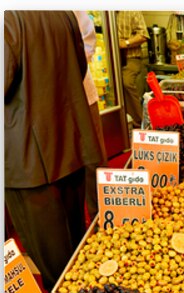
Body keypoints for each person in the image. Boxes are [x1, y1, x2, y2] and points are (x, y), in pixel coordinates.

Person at [5, 11, 103, 290]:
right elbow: (80, 68)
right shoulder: (62, 12)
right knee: (74, 241)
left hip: (27, 156)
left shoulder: (6, 18)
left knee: (53, 263)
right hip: (67, 142)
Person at [74, 10, 108, 222]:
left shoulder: (72, 10)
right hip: (43, 101)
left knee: (92, 159)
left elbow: (88, 43)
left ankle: (102, 216)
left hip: (82, 94)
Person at [117, 11, 149, 129]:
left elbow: (143, 35)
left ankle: (139, 123)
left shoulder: (132, 10)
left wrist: (125, 43)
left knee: (126, 82)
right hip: (110, 59)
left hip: (130, 57)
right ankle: (121, 123)